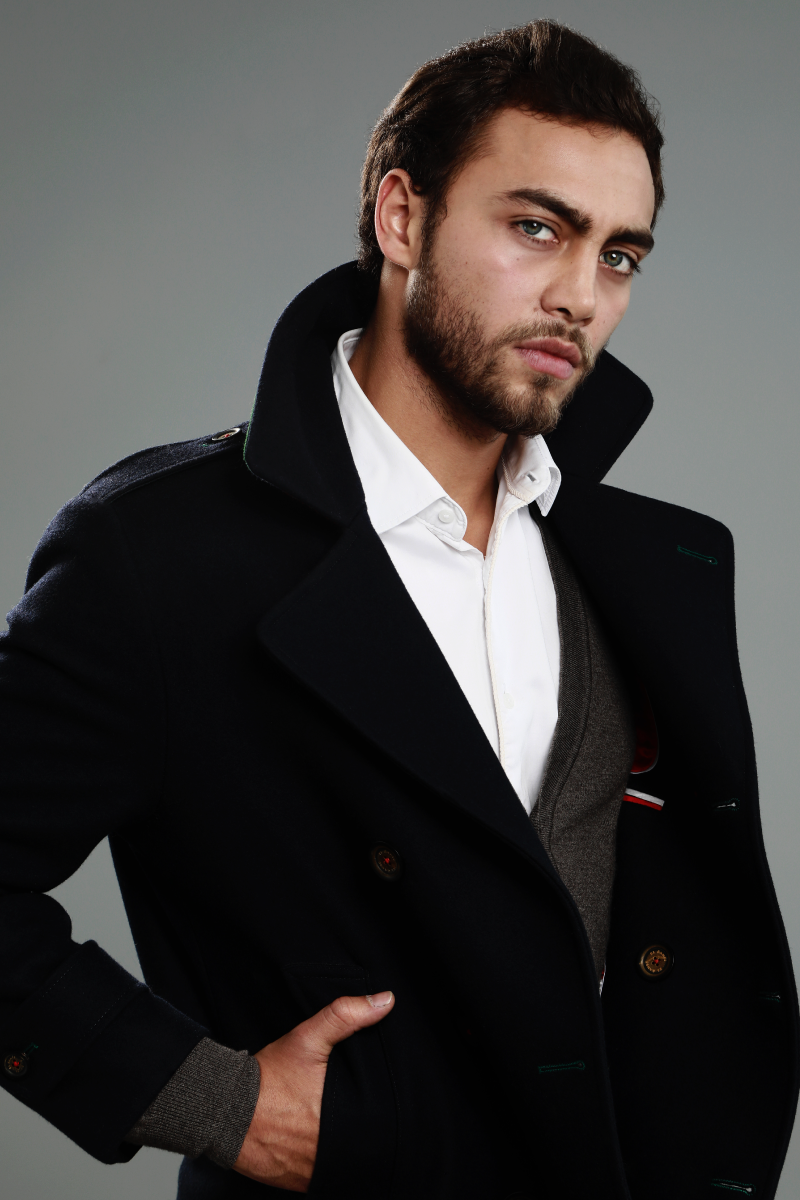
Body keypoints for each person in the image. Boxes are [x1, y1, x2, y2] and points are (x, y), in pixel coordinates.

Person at [0, 19, 796, 1200]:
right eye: (536, 228)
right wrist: (219, 1107)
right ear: (401, 218)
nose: (580, 296)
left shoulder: (651, 562)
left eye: (619, 255)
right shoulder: (159, 554)